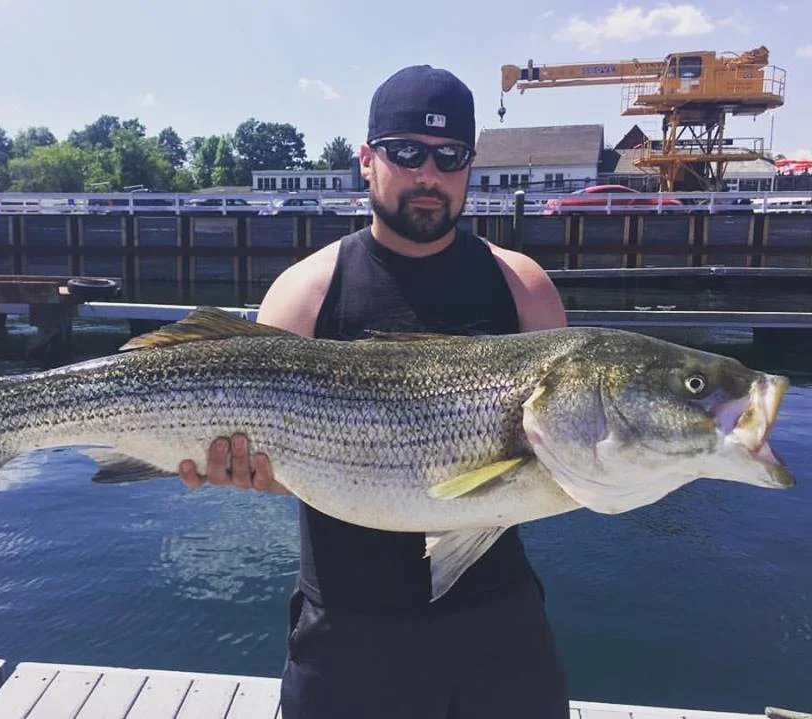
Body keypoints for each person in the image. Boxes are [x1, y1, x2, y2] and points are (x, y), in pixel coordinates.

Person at [178, 64, 570, 718]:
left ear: (470, 165)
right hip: (345, 630)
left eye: (450, 157)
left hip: (497, 621)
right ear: (367, 160)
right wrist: (246, 469)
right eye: (406, 152)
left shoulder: (525, 288)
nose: (428, 174)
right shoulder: (305, 291)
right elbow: (279, 466)